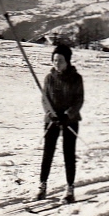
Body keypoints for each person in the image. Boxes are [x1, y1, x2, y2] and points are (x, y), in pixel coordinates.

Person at [38, 43, 84, 203]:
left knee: (68, 154)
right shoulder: (49, 78)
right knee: (48, 153)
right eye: (55, 60)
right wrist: (51, 114)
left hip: (70, 121)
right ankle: (42, 186)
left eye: (61, 60)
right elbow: (45, 99)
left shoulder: (76, 78)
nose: (57, 63)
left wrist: (68, 114)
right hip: (52, 121)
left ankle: (70, 189)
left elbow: (79, 100)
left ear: (68, 61)